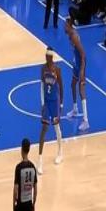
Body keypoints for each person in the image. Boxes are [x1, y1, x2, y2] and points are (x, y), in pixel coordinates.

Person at [37, 47, 63, 175]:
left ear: (51, 57)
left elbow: (61, 87)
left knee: (57, 128)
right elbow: (42, 86)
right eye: (46, 56)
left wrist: (61, 104)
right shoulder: (43, 69)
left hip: (55, 102)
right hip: (47, 102)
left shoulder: (57, 69)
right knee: (44, 129)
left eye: (48, 56)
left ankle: (60, 153)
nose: (46, 58)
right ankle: (40, 161)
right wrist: (42, 104)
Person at [65, 18, 89, 131]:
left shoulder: (74, 36)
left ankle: (86, 120)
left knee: (81, 90)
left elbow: (83, 54)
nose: (64, 27)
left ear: (70, 26)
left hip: (81, 64)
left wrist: (82, 70)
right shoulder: (70, 35)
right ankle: (75, 109)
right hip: (76, 63)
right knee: (72, 84)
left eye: (65, 25)